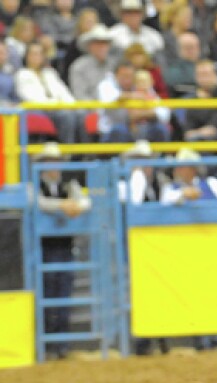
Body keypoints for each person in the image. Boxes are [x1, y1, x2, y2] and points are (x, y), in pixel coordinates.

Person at [160, 147, 217, 350]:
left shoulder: (212, 185)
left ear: (192, 169)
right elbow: (167, 201)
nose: (179, 171)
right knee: (189, 293)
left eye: (183, 167)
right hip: (182, 253)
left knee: (215, 292)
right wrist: (184, 194)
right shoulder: (171, 189)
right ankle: (198, 338)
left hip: (211, 250)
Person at [35, 142, 92, 359]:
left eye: (56, 162)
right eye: (50, 162)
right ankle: (50, 340)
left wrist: (74, 206)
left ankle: (61, 342)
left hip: (63, 246)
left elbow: (85, 202)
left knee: (63, 293)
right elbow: (38, 202)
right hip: (45, 249)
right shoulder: (36, 184)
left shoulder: (68, 185)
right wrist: (63, 205)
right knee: (48, 292)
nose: (54, 166)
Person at [118, 140, 172, 355]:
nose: (145, 166)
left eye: (147, 162)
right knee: (136, 293)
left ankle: (161, 339)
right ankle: (141, 342)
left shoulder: (161, 183)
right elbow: (135, 203)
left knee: (160, 291)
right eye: (139, 162)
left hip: (156, 246)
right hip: (131, 249)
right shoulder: (125, 184)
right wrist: (138, 177)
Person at [14, 42, 85, 144]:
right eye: (33, 54)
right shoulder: (22, 74)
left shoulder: (50, 73)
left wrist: (73, 104)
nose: (37, 57)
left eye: (39, 54)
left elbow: (63, 91)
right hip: (40, 109)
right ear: (26, 57)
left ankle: (85, 153)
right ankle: (68, 152)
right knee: (66, 116)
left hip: (59, 107)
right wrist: (57, 105)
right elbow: (30, 97)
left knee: (81, 114)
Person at [96, 60, 171, 142]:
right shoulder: (106, 85)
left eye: (130, 76)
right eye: (124, 76)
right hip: (113, 129)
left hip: (141, 127)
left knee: (160, 129)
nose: (127, 80)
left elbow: (164, 113)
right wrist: (134, 96)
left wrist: (142, 114)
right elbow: (111, 100)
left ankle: (158, 154)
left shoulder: (141, 85)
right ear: (115, 76)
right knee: (119, 131)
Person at [68, 22, 113, 101]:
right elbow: (79, 95)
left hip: (113, 108)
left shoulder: (113, 64)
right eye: (98, 43)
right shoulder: (79, 66)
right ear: (90, 46)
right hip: (89, 109)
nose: (102, 47)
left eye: (105, 43)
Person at [162, 31, 201, 97]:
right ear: (179, 49)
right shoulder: (173, 69)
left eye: (193, 47)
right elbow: (173, 84)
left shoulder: (207, 65)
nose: (191, 51)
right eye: (187, 47)